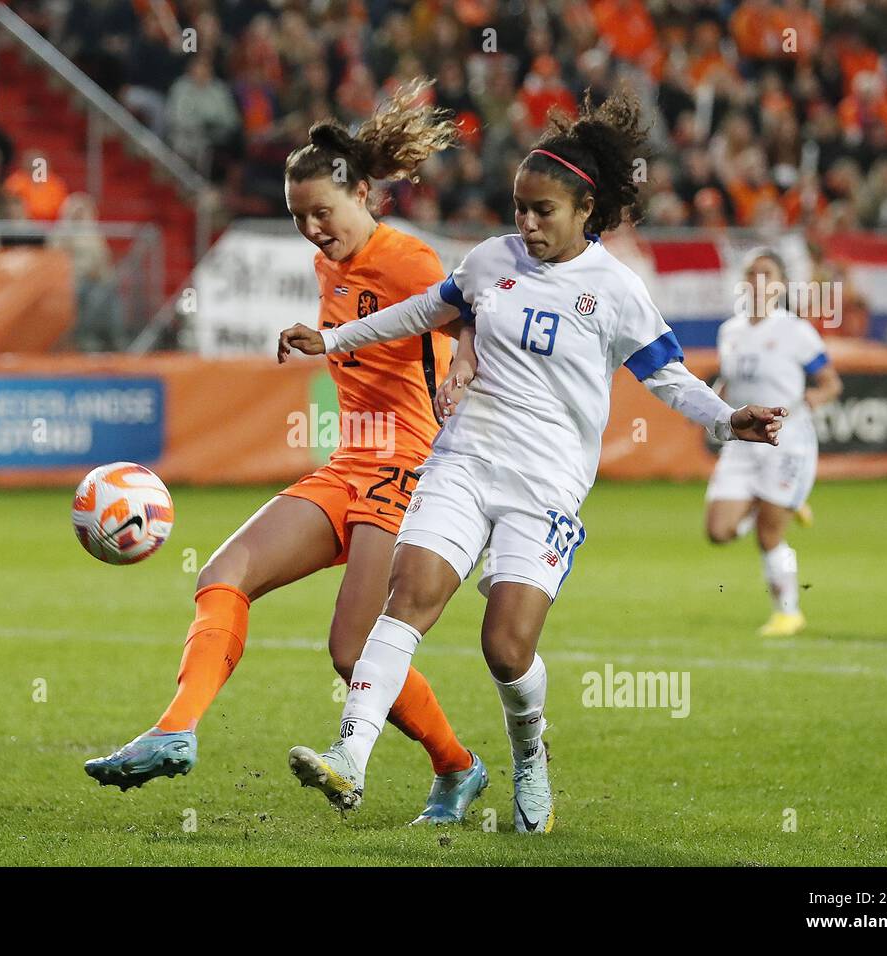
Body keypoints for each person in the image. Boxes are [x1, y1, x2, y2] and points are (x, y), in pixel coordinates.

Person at [278, 89, 786, 834]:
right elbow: (426, 310)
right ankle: (349, 756)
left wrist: (727, 420)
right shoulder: (492, 261)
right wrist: (335, 339)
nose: (526, 223)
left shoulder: (616, 291)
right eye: (519, 207)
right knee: (410, 593)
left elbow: (668, 377)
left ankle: (528, 754)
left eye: (542, 211)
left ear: (587, 211)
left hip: (545, 484)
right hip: (464, 458)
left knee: (505, 646)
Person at [85, 80, 490, 826]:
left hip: (410, 466)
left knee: (351, 651)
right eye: (298, 216)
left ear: (363, 194)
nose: (311, 229)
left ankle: (458, 767)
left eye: (322, 213)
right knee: (223, 573)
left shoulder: (407, 258)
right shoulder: (328, 263)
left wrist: (463, 363)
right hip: (350, 462)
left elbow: (475, 310)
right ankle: (175, 731)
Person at [705, 250, 842, 636]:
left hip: (787, 441)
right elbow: (731, 384)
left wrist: (816, 398)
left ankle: (788, 612)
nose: (758, 280)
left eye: (767, 273)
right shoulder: (729, 331)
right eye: (752, 273)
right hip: (743, 442)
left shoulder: (794, 331)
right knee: (718, 532)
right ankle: (782, 502)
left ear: (781, 284)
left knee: (769, 535)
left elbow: (831, 382)